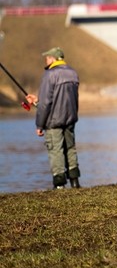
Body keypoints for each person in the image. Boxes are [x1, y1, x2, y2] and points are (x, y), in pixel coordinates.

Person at [25, 47, 81, 189]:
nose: (46, 59)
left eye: (48, 57)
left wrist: (39, 125)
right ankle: (74, 181)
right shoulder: (73, 73)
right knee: (70, 148)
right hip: (70, 118)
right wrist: (37, 100)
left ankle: (59, 184)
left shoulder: (49, 75)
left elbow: (46, 104)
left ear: (54, 58)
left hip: (53, 121)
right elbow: (65, 98)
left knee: (55, 150)